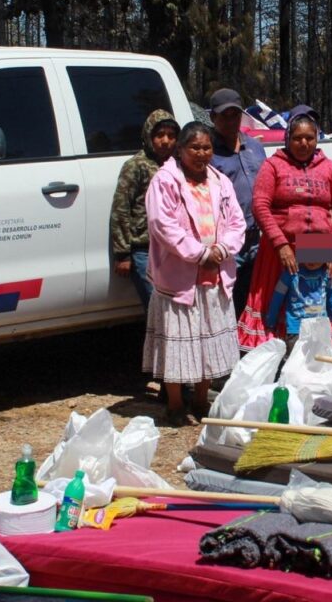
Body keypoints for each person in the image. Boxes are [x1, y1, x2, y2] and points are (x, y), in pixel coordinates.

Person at [143, 122, 246, 427]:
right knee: (177, 342)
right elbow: (163, 226)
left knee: (209, 341)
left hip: (215, 273)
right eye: (194, 148)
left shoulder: (220, 181)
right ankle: (175, 404)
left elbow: (237, 223)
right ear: (180, 149)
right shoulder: (165, 181)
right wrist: (200, 254)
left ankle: (201, 399)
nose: (202, 154)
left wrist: (222, 251)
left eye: (207, 147)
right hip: (179, 276)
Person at [238, 115, 332, 352]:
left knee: (319, 300)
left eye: (309, 138)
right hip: (281, 247)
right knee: (281, 299)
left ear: (317, 139)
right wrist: (280, 244)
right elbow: (260, 205)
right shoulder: (273, 165)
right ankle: (276, 351)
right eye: (297, 138)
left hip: (320, 245)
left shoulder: (328, 167)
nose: (304, 143)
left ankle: (319, 349)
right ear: (287, 139)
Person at [110, 109, 179, 307]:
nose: (165, 141)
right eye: (159, 135)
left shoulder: (177, 165)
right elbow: (121, 209)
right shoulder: (136, 165)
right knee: (157, 306)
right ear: (148, 136)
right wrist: (122, 253)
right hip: (144, 249)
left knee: (173, 306)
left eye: (171, 136)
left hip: (172, 248)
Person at [209, 88, 267, 316]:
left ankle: (248, 344)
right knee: (225, 298)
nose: (231, 120)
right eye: (225, 115)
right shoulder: (208, 151)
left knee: (253, 295)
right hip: (228, 238)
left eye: (235, 114)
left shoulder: (255, 147)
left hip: (257, 236)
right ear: (213, 117)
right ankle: (227, 346)